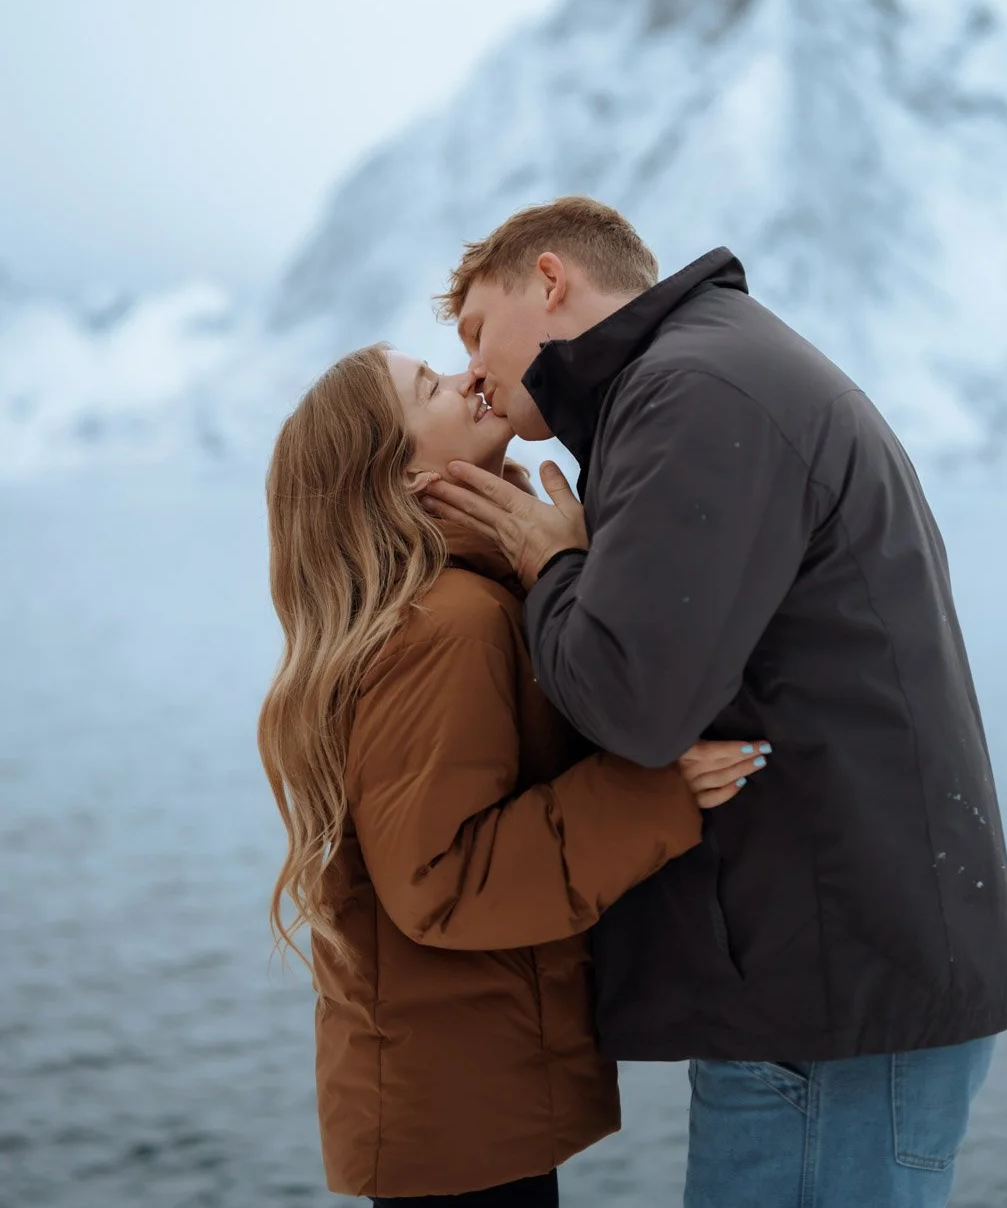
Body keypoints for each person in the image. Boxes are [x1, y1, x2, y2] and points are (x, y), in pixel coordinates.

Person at [424, 195, 1007, 1208]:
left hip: (830, 1003)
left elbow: (633, 703)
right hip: (834, 979)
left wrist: (554, 562)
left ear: (547, 279)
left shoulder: (690, 388)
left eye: (476, 330)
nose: (473, 367)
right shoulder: (709, 368)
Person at [258, 341, 767, 1206]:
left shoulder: (464, 598)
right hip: (457, 1115)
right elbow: (440, 880)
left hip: (458, 1100)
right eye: (432, 387)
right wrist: (655, 789)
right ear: (408, 477)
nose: (466, 378)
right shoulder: (444, 624)